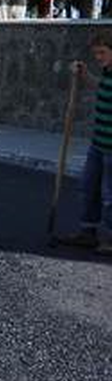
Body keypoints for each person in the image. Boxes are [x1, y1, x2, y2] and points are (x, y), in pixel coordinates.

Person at [56, 30, 112, 254]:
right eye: (96, 53)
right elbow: (99, 86)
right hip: (98, 144)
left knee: (110, 195)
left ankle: (110, 238)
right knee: (88, 187)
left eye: (103, 53)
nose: (98, 57)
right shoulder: (108, 72)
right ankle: (87, 232)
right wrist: (84, 74)